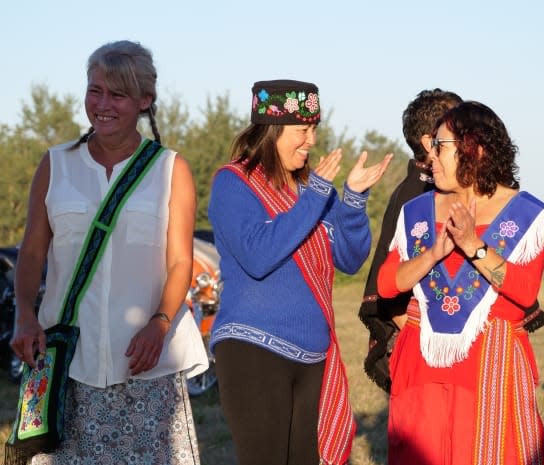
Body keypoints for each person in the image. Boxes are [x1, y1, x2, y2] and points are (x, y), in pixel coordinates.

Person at [10, 40, 208, 464]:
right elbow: (30, 255)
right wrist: (25, 316)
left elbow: (180, 263)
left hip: (146, 365)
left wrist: (159, 325)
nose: (102, 104)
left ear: (144, 101)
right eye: (94, 90)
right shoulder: (55, 165)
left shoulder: (171, 169)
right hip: (65, 368)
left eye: (117, 94)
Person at [207, 79, 392, 465]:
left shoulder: (311, 187)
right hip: (253, 348)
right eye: (301, 130)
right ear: (271, 130)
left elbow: (349, 257)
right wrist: (316, 197)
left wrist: (353, 202)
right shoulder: (234, 183)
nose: (310, 140)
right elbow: (258, 255)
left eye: (313, 129)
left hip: (312, 356)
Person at [378, 101, 544, 464]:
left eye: (440, 147)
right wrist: (431, 256)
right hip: (421, 366)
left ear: (476, 150)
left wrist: (474, 246)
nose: (431, 157)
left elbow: (523, 292)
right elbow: (385, 285)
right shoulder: (418, 211)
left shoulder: (526, 213)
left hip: (489, 367)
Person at [359, 89, 462, 393]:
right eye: (460, 130)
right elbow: (391, 295)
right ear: (432, 142)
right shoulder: (414, 198)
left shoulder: (442, 190)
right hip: (424, 354)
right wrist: (435, 345)